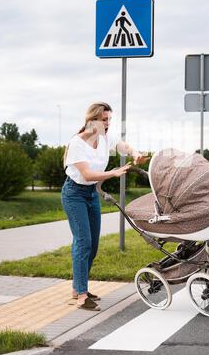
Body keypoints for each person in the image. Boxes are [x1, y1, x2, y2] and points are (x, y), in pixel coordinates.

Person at [61, 102, 147, 310]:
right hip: (74, 194)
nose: (107, 123)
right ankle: (81, 295)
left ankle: (78, 287)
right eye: (104, 120)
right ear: (92, 121)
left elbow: (122, 146)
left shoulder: (105, 137)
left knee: (93, 245)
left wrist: (135, 153)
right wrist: (113, 173)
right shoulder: (77, 143)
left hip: (91, 194)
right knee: (83, 242)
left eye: (109, 119)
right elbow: (88, 174)